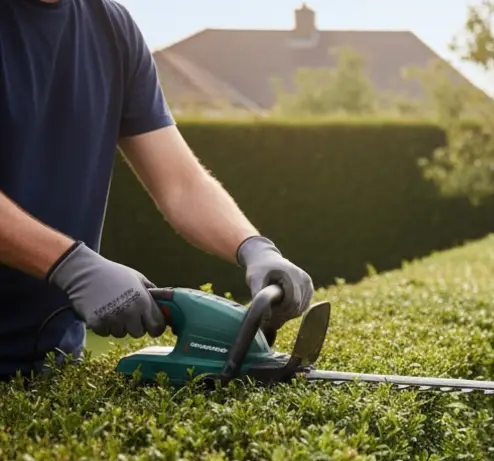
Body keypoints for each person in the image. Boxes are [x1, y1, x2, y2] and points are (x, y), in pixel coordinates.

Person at [0, 0, 314, 382]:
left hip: (52, 361)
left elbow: (182, 184)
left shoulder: (110, 27)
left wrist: (254, 248)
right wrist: (71, 265)